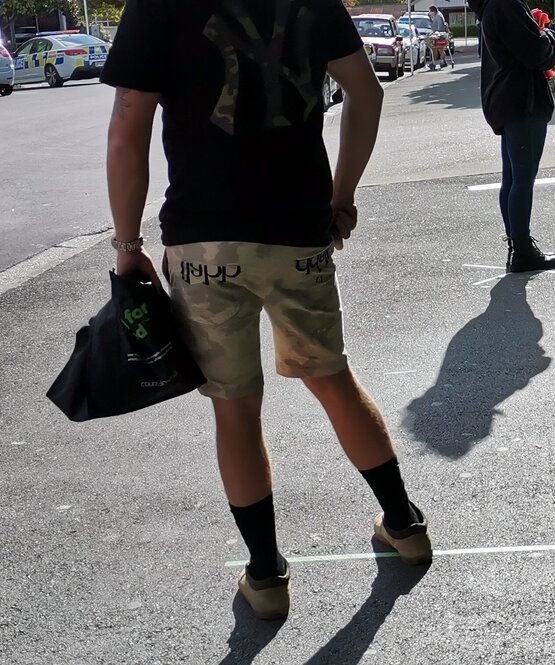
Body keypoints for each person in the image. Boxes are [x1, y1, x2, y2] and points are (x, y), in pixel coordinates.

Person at [100, 0, 432, 621]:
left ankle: (267, 575)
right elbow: (366, 92)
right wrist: (342, 196)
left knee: (235, 408)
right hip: (298, 231)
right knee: (331, 378)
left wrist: (127, 247)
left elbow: (127, 127)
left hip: (203, 243)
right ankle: (404, 524)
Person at [470, 0, 555, 272]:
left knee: (512, 178)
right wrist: (549, 37)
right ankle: (522, 250)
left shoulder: (489, 6)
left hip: (505, 100)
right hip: (523, 101)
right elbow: (536, 52)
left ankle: (518, 244)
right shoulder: (506, 4)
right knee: (522, 179)